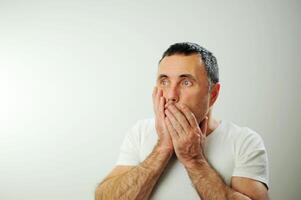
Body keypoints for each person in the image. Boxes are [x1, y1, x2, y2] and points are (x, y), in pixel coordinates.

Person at [95, 42, 269, 200]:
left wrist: (194, 160)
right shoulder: (140, 132)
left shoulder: (243, 141)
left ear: (213, 94)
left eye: (186, 82)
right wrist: (163, 148)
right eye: (164, 81)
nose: (171, 95)